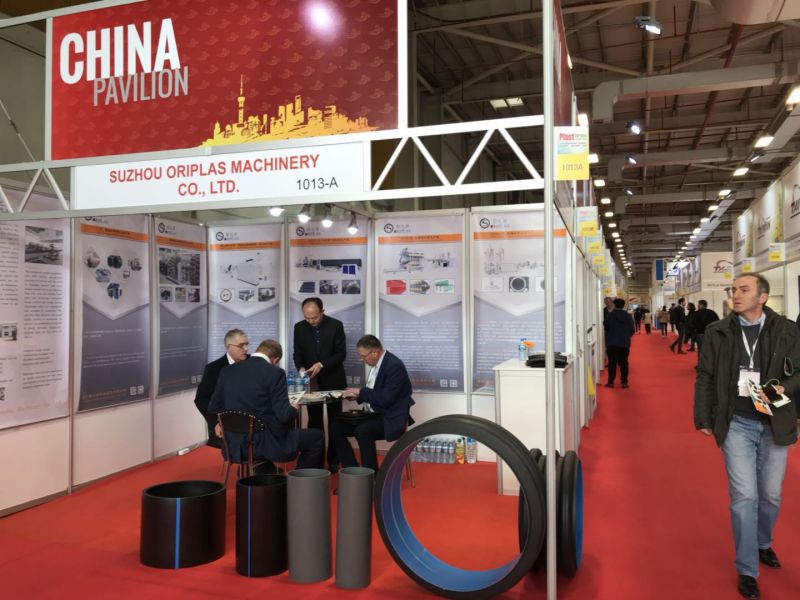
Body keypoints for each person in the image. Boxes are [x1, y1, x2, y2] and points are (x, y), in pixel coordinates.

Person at [694, 273, 800, 600]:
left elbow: (798, 372)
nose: (735, 294)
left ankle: (762, 542)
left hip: (775, 421)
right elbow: (705, 376)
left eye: (743, 290)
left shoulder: (787, 330)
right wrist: (703, 417)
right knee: (744, 497)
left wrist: (782, 388)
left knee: (771, 496)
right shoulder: (718, 332)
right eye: (733, 290)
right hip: (736, 422)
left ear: (762, 297)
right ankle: (747, 568)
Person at [209, 339, 323, 469]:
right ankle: (298, 480)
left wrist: (223, 422)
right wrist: (294, 408)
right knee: (316, 437)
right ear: (275, 359)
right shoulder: (275, 373)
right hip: (265, 444)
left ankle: (266, 471)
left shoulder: (227, 371)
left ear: (258, 350)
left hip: (233, 444)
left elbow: (213, 407)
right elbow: (284, 416)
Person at [333, 335, 415, 473]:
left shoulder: (394, 366)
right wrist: (356, 395)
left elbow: (385, 399)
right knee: (336, 428)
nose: (361, 359)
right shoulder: (377, 363)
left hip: (390, 417)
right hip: (373, 414)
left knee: (362, 431)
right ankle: (352, 471)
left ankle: (370, 477)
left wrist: (360, 392)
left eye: (363, 356)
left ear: (375, 353)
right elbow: (374, 391)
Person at [293, 297, 347, 472]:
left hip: (334, 379)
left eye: (314, 317)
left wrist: (322, 364)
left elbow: (341, 354)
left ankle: (333, 460)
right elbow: (297, 354)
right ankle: (315, 461)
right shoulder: (299, 327)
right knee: (314, 422)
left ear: (322, 312)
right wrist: (301, 368)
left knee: (334, 423)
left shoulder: (336, 325)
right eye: (307, 317)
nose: (311, 321)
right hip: (312, 382)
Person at [194, 328, 249, 448]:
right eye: (241, 345)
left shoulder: (253, 363)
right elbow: (201, 399)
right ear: (229, 347)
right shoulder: (214, 369)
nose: (246, 349)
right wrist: (215, 423)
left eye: (247, 344)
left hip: (252, 424)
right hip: (225, 426)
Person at [603, 298, 635, 388]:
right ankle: (624, 382)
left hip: (612, 343)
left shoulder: (610, 315)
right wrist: (626, 336)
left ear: (614, 305)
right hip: (624, 343)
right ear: (623, 305)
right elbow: (632, 330)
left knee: (612, 363)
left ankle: (611, 382)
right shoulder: (628, 316)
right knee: (624, 363)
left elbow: (606, 326)